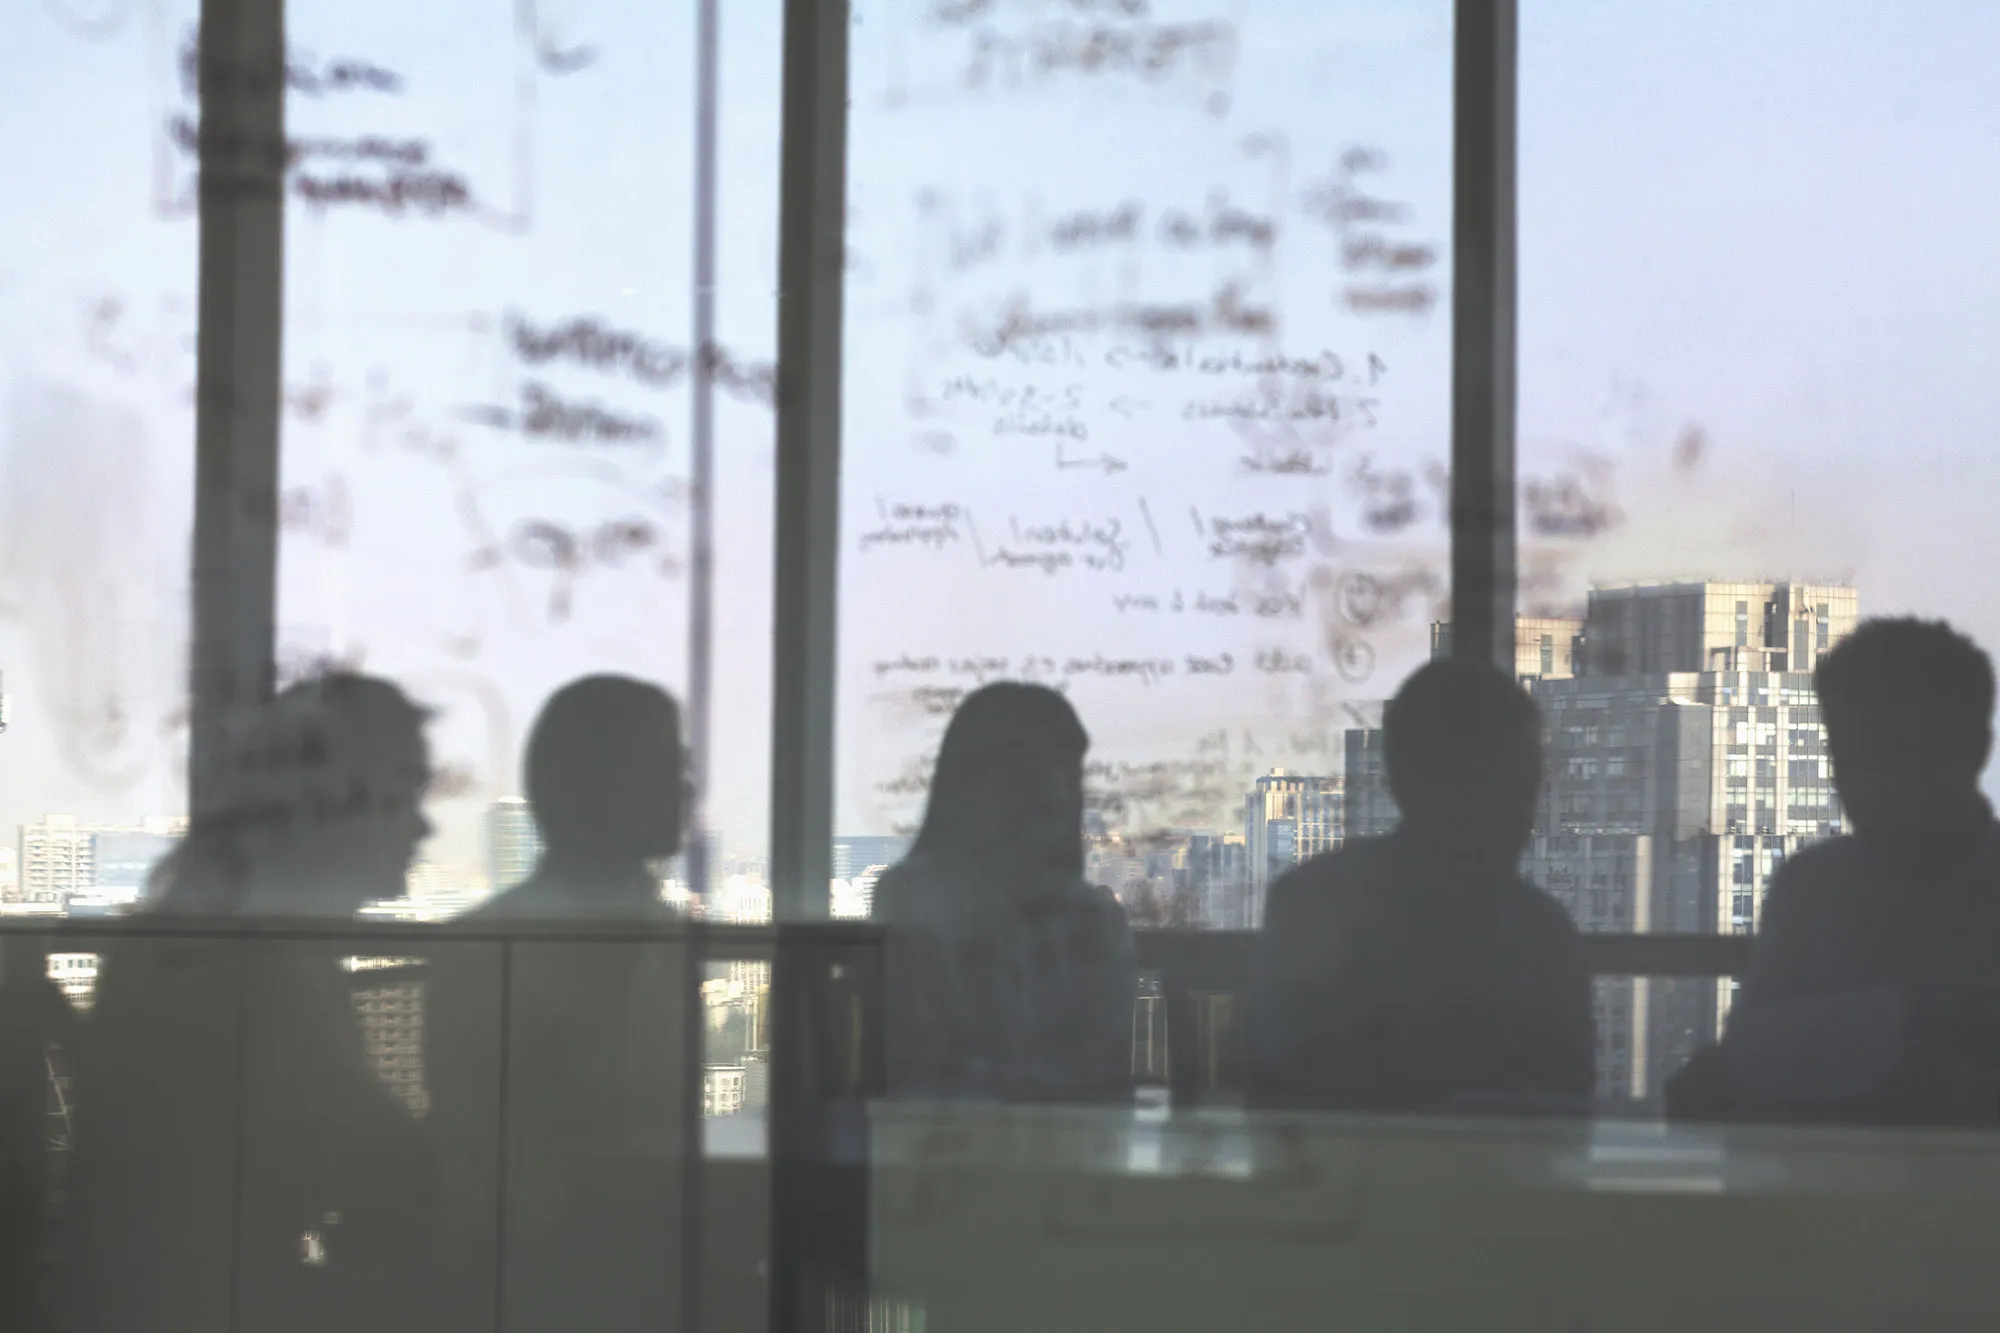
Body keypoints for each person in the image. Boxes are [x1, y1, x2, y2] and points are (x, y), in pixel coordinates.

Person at [62, 673, 439, 1333]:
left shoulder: (213, 935)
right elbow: (396, 1168)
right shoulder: (255, 964)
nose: (423, 823)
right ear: (329, 803)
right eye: (402, 791)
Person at [424, 675, 690, 1333]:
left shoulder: (662, 938)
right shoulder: (489, 950)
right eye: (662, 767)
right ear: (590, 787)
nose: (685, 789)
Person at [1667, 618, 2000, 1126]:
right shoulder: (1809, 888)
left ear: (1973, 747)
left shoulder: (1813, 887)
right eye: (1848, 757)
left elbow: (1757, 1058)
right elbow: (1750, 1059)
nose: (1869, 784)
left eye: (1895, 754)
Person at [1250, 658, 1594, 1114]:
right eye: (1492, 783)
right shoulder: (1542, 933)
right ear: (1413, 781)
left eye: (1525, 788)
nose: (1518, 812)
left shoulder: (1319, 902)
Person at [875, 682, 1137, 1103]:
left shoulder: (1097, 920)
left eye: (1066, 773)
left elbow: (1105, 1074)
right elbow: (921, 1068)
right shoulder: (915, 900)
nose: (1055, 791)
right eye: (1031, 770)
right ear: (971, 783)